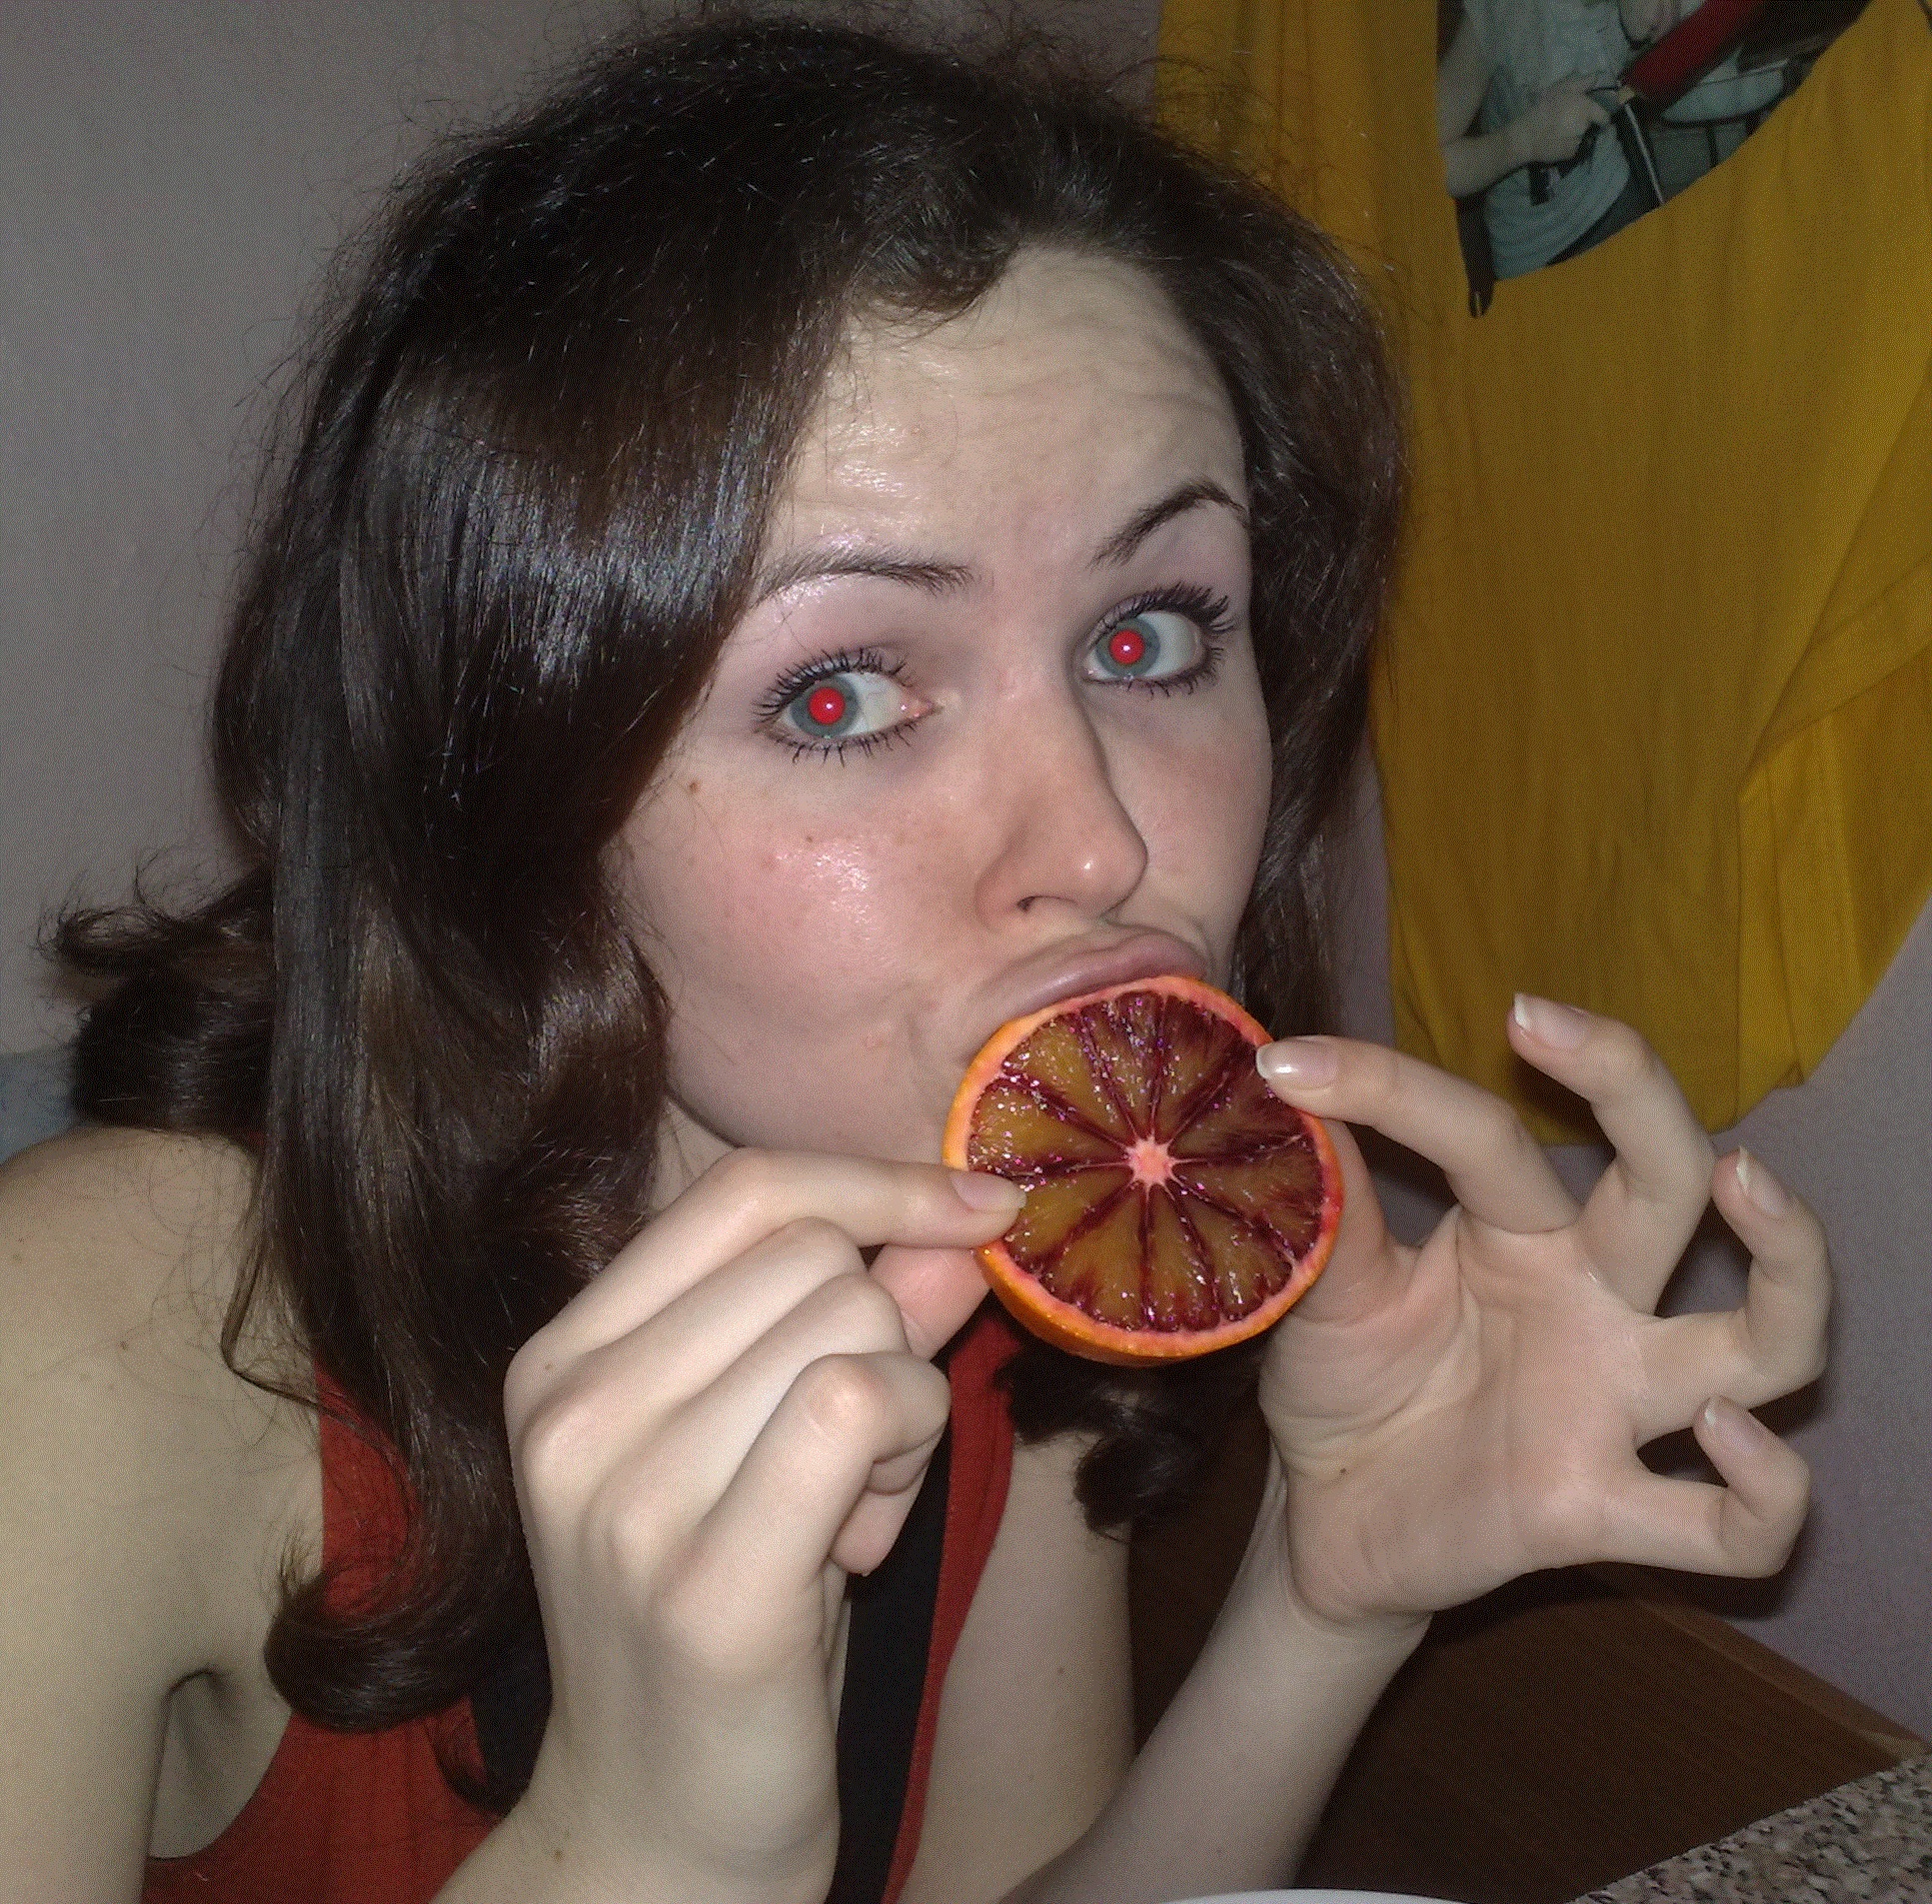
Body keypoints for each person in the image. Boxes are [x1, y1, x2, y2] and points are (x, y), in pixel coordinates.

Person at [0, 15, 1829, 1903]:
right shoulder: (74, 1358)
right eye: (844, 690)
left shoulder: (984, 1242)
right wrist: (638, 1849)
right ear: (498, 777)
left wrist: (1321, 1598)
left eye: (1147, 637)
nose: (1102, 845)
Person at [1437, 0, 1681, 277]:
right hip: (1534, 251)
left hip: (1617, 198)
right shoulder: (1502, 10)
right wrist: (1524, 140)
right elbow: (1431, 165)